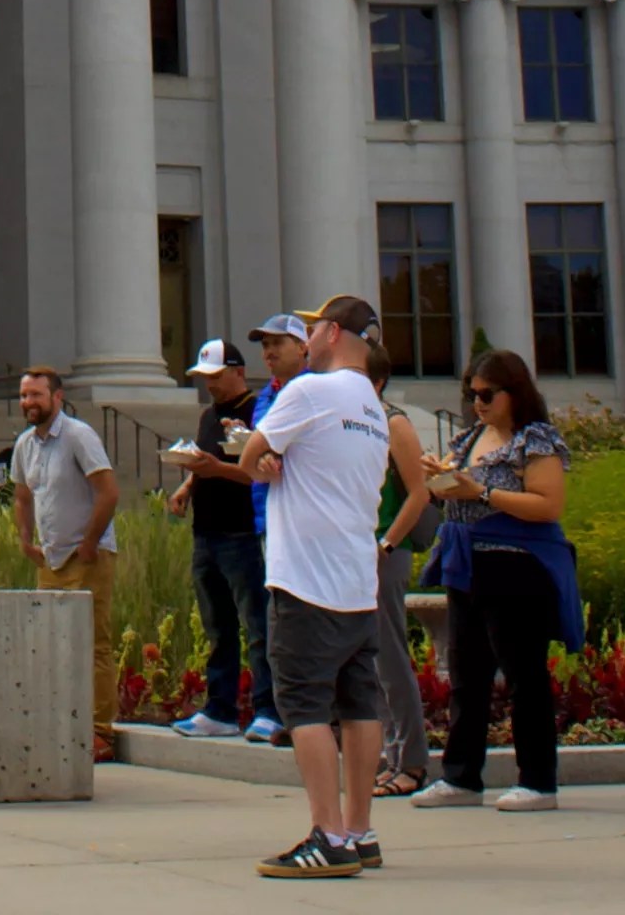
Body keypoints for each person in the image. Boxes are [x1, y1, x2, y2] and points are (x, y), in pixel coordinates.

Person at [241, 294, 430, 880]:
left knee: (304, 706)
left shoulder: (309, 391)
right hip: (355, 579)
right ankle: (358, 829)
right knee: (358, 704)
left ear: (331, 334)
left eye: (314, 326)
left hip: (304, 579)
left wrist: (266, 462)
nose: (308, 335)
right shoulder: (376, 410)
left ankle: (326, 834)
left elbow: (251, 456)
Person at [413, 347, 580, 813]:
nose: (478, 403)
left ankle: (538, 779)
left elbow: (548, 504)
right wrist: (440, 482)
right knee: (467, 675)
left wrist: (481, 490)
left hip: (516, 561)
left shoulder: (535, 440)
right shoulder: (469, 438)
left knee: (523, 672)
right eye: (471, 394)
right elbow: (455, 492)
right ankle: (462, 775)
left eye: (487, 394)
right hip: (467, 562)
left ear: (514, 392)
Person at [11, 367, 122, 765]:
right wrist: (25, 540)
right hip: (51, 559)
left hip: (86, 556)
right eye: (24, 396)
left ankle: (100, 732)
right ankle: (58, 724)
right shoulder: (26, 444)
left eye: (37, 395)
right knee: (51, 644)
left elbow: (108, 491)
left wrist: (91, 542)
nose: (29, 403)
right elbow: (23, 496)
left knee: (93, 644)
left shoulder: (78, 436)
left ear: (57, 398)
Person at [166, 340, 270, 741]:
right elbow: (206, 457)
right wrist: (189, 484)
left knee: (256, 624)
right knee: (218, 626)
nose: (210, 385)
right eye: (203, 378)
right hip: (206, 532)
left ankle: (267, 708)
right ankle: (221, 709)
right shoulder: (210, 415)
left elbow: (252, 469)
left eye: (215, 377)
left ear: (237, 371)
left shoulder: (255, 411)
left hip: (241, 530)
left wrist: (211, 468)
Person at [243, 313, 310, 745]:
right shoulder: (268, 396)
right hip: (270, 521)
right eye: (264, 344)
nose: (268, 352)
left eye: (278, 343)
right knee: (279, 626)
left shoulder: (314, 392)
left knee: (306, 623)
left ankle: (309, 716)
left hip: (304, 526)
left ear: (304, 347)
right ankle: (289, 714)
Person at [367, 353, 432, 798]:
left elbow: (420, 494)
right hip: (354, 552)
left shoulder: (394, 424)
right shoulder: (352, 422)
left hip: (387, 551)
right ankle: (387, 756)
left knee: (389, 656)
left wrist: (387, 543)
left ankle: (410, 760)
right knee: (367, 662)